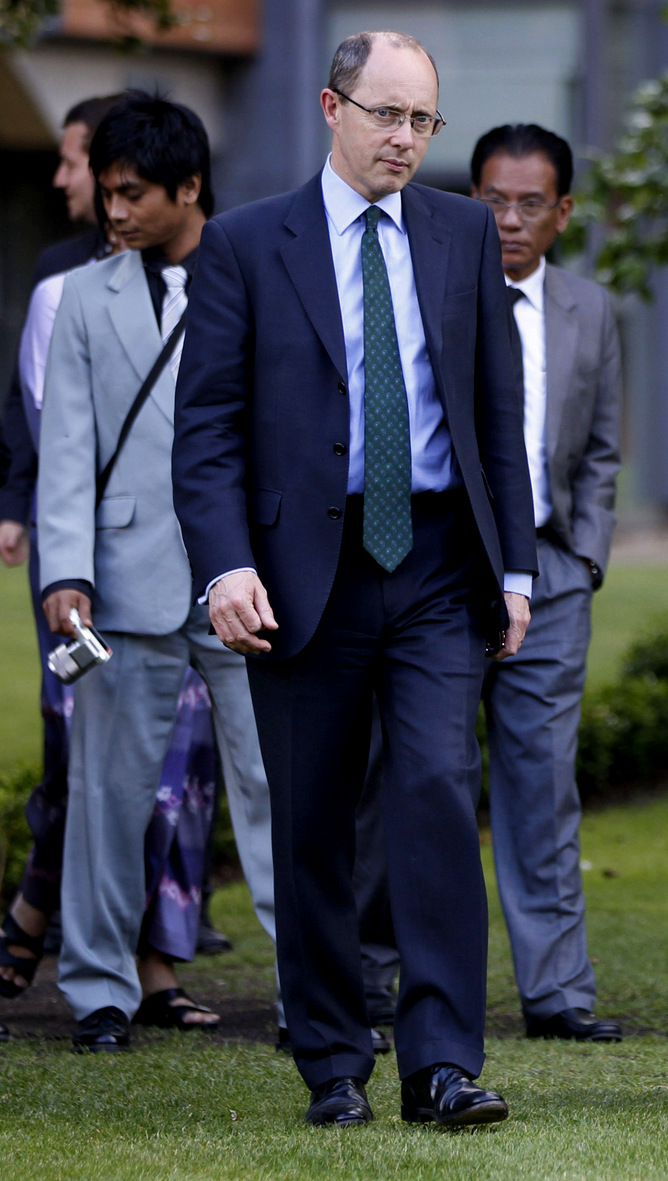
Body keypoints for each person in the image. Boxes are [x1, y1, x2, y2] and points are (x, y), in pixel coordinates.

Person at [172, 30, 536, 1129]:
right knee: (314, 821)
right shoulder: (243, 246)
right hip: (298, 576)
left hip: (433, 563)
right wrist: (226, 565)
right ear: (332, 108)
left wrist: (515, 566)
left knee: (432, 792)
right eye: (386, 114)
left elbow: (494, 414)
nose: (405, 138)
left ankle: (439, 1062)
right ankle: (332, 1057)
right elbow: (208, 432)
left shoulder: (464, 233)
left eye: (422, 120)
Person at [34, 92, 277, 1052]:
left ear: (189, 188)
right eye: (106, 192)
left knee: (275, 784)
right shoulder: (82, 296)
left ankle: (312, 988)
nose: (114, 211)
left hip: (247, 582)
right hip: (122, 578)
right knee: (106, 790)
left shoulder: (258, 270)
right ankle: (99, 990)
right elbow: (66, 445)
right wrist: (65, 567)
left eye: (133, 193)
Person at [472, 122, 623, 1042]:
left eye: (531, 203)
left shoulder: (591, 311)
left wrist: (588, 554)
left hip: (554, 574)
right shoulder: (437, 294)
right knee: (412, 777)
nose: (510, 220)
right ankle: (375, 976)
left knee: (542, 784)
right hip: (448, 576)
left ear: (563, 213)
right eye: (493, 200)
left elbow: (603, 449)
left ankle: (556, 993)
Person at [0, 96, 122, 1020]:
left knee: (183, 772)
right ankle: (44, 925)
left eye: (77, 159)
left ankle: (149, 959)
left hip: (184, 565)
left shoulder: (215, 270)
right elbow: (41, 422)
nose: (68, 181)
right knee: (72, 746)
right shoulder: (59, 280)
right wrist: (22, 511)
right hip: (74, 551)